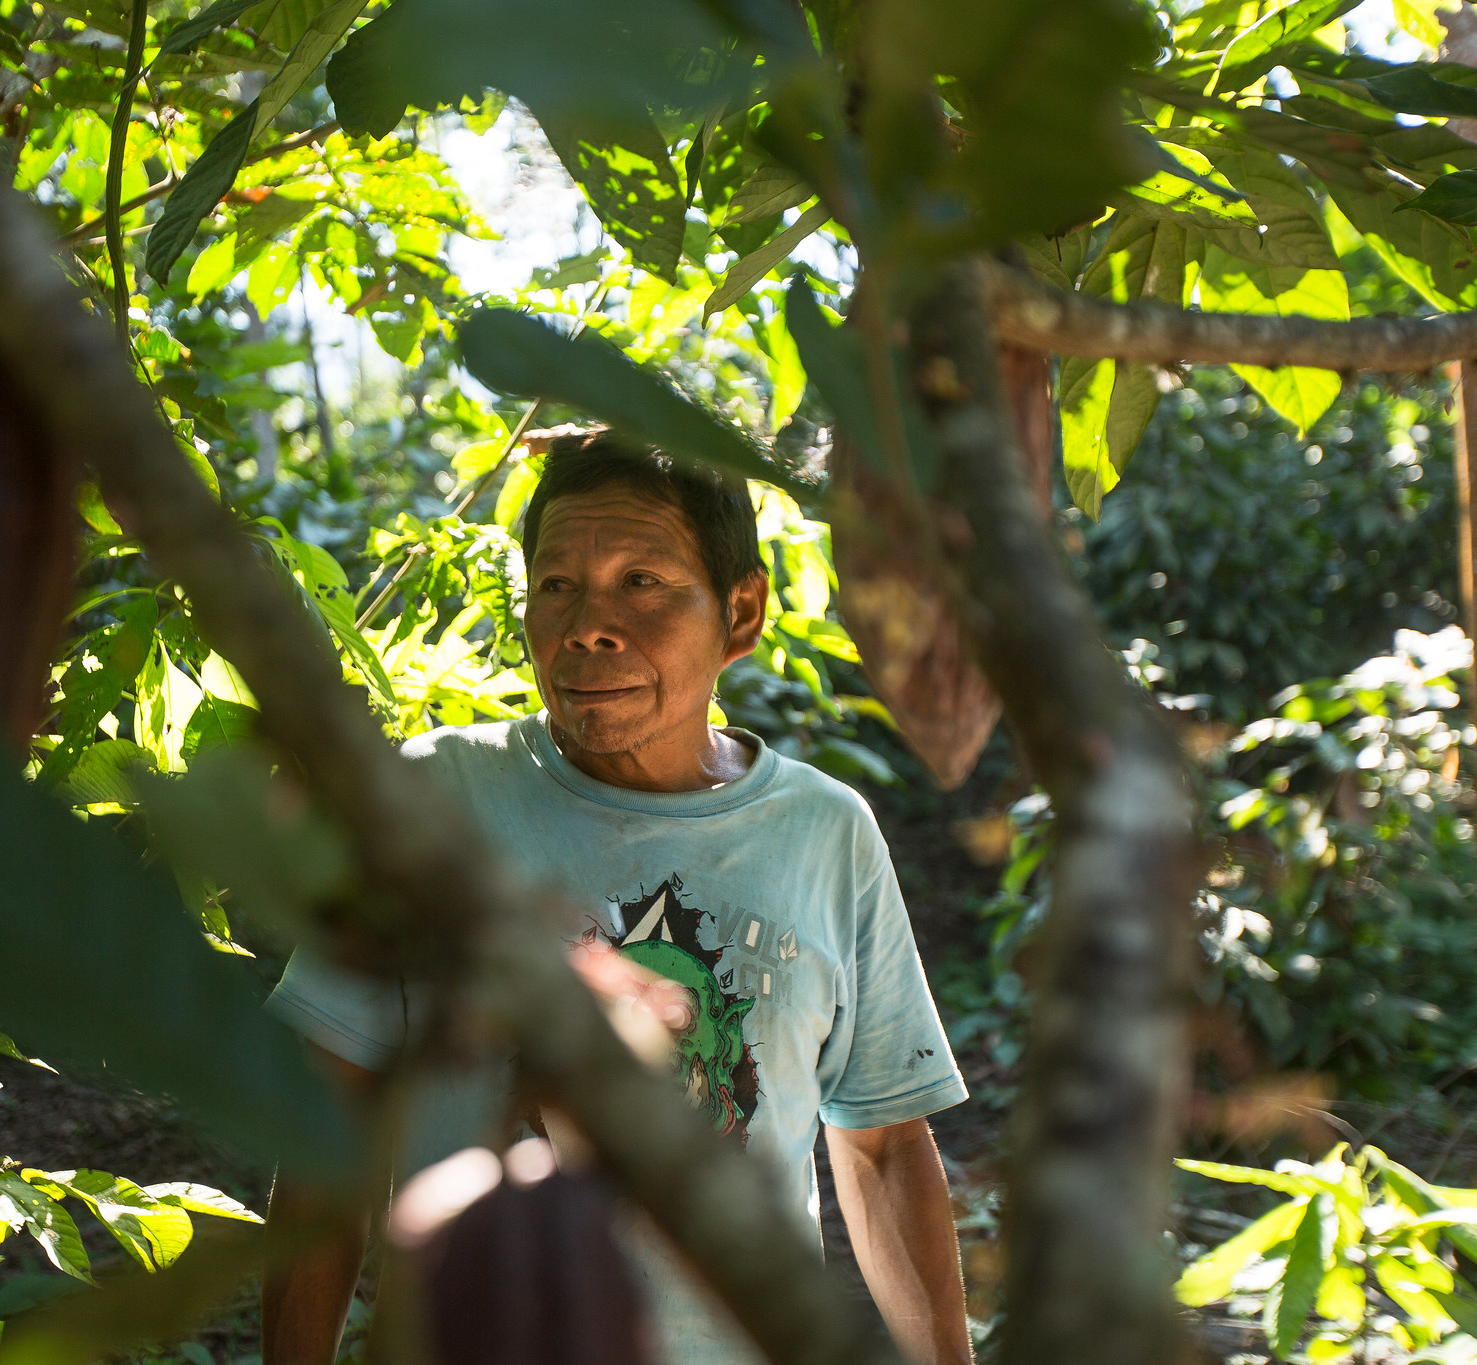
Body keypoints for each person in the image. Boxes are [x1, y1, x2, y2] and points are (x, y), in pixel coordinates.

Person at [260, 428, 975, 1365]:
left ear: (743, 611)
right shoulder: (430, 802)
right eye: (557, 584)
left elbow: (881, 1146)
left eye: (643, 581)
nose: (588, 623)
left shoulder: (823, 832)